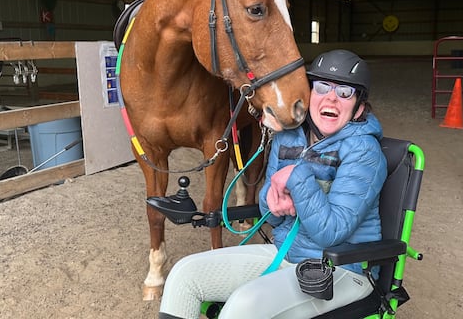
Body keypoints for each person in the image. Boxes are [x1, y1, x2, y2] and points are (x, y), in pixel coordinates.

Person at [159, 49, 387, 319]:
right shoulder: (289, 137)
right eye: (322, 86)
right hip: (286, 254)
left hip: (342, 270)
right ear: (308, 93)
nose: (331, 98)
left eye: (345, 92)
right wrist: (273, 200)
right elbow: (273, 217)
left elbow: (332, 232)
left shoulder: (364, 152)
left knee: (245, 305)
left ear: (359, 106)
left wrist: (296, 177)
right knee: (184, 275)